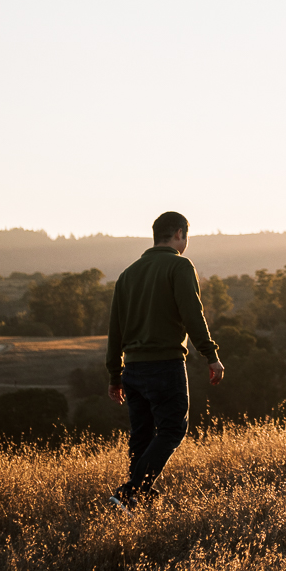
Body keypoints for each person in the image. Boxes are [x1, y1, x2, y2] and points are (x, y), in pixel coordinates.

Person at [104, 211, 225, 509]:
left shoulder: (128, 274)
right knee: (172, 429)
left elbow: (115, 330)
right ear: (179, 234)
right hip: (165, 365)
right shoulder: (179, 265)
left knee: (142, 435)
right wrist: (211, 355)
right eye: (185, 237)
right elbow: (192, 314)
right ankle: (129, 492)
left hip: (132, 369)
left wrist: (114, 376)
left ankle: (136, 498)